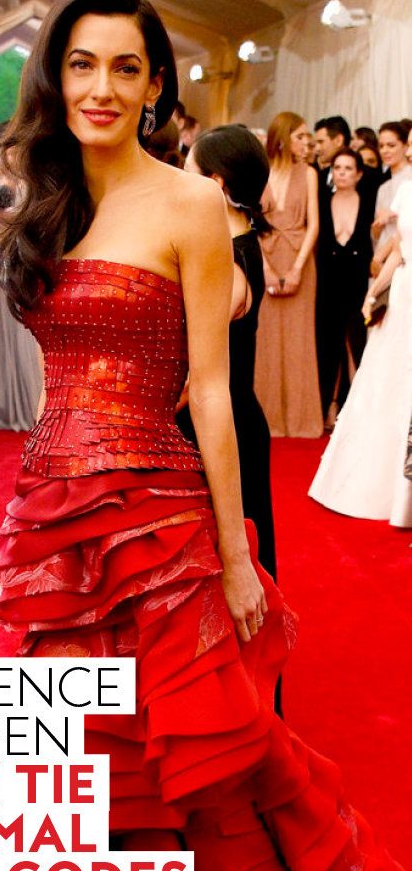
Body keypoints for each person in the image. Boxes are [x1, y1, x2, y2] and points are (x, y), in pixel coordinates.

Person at [0, 0, 412, 871]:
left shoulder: (186, 203)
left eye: (125, 66)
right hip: (56, 524)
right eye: (81, 64)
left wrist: (234, 554)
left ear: (158, 82)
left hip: (159, 524)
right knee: (83, 767)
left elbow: (210, 391)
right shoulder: (47, 201)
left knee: (199, 774)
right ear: (54, 77)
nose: (101, 86)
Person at [176, 124, 277, 580]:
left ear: (215, 183)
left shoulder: (230, 260)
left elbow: (201, 367)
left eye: (188, 166)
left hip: (221, 427)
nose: (180, 174)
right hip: (229, 421)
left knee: (228, 563)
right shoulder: (237, 243)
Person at [309, 133, 412, 527]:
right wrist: (375, 292)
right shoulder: (403, 195)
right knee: (384, 383)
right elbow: (399, 252)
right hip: (402, 296)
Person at [253, 110, 323, 436]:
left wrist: (296, 268)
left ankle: (301, 420)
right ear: (282, 137)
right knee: (265, 340)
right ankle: (267, 421)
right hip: (265, 257)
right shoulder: (259, 172)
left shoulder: (308, 173)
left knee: (299, 340)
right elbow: (252, 223)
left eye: (307, 137)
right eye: (300, 136)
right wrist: (265, 268)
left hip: (299, 259)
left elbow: (314, 225)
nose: (305, 143)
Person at [0, 125, 42, 430]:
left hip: (25, 261)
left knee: (27, 334)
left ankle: (34, 404)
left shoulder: (34, 180)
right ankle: (4, 403)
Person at [315, 148, 374, 425]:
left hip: (357, 284)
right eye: (337, 167)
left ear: (359, 174)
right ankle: (328, 404)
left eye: (348, 168)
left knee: (357, 345)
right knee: (329, 346)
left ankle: (356, 408)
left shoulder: (369, 202)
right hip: (328, 284)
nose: (341, 173)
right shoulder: (322, 200)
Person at [371, 121, 412, 271]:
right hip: (382, 263)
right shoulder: (383, 188)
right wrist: (377, 226)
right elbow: (376, 236)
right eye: (381, 146)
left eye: (391, 145)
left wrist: (380, 256)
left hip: (403, 260)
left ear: (405, 146)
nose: (385, 151)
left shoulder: (410, 180)